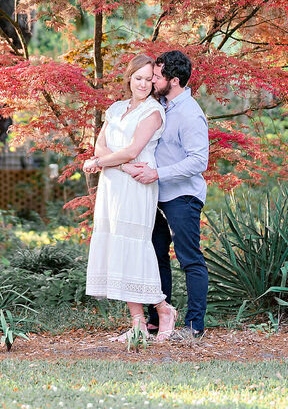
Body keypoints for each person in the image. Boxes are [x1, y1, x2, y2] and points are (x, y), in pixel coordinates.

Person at [83, 53, 179, 343]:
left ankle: (163, 308)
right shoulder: (115, 109)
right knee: (116, 245)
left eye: (150, 79)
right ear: (129, 78)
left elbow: (132, 151)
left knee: (135, 247)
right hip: (114, 183)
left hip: (137, 186)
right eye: (139, 78)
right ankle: (137, 323)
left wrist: (108, 163)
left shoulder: (153, 112)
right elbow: (99, 146)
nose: (144, 84)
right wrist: (117, 165)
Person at [121, 50, 209, 340]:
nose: (151, 80)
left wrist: (158, 174)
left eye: (157, 76)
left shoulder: (190, 113)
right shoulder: (160, 106)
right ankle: (156, 320)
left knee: (189, 259)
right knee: (155, 257)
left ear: (173, 80)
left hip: (182, 197)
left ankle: (194, 327)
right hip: (152, 196)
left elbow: (199, 162)